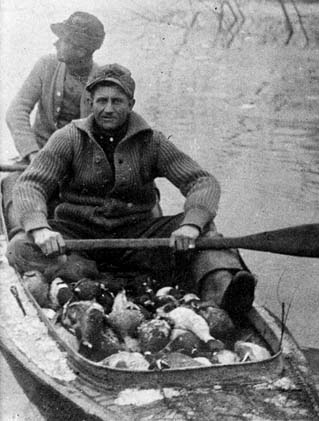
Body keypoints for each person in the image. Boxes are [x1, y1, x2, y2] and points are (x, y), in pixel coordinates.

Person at [7, 64, 256, 319]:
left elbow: (202, 182)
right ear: (91, 102)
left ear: (131, 103)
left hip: (138, 237)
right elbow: (30, 184)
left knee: (208, 233)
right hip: (78, 237)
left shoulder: (153, 142)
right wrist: (40, 229)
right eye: (101, 101)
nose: (108, 109)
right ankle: (92, 273)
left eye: (117, 101)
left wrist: (190, 225)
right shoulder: (67, 137)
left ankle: (222, 293)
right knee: (20, 246)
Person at [2, 11, 105, 238]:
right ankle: (23, 240)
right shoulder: (46, 66)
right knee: (14, 184)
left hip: (79, 169)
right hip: (36, 159)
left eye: (64, 39)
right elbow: (16, 111)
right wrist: (32, 154)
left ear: (81, 50)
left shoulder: (103, 81)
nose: (56, 42)